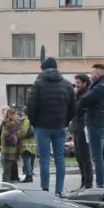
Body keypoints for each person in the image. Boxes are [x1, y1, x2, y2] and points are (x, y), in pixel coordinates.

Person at [25, 57, 76, 197]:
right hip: (59, 126)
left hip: (42, 126)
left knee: (44, 158)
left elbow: (31, 106)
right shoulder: (67, 84)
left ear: (43, 69)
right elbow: (73, 107)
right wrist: (65, 121)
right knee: (60, 158)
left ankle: (45, 190)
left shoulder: (38, 84)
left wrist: (34, 122)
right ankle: (59, 190)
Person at [78, 68, 104, 189]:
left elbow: (84, 101)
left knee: (97, 158)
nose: (90, 75)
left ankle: (100, 185)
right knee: (102, 158)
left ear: (97, 74)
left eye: (92, 73)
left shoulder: (99, 88)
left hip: (95, 125)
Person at [70, 74, 92, 190]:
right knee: (79, 157)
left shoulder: (86, 94)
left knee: (85, 157)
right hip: (76, 128)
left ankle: (88, 184)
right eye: (75, 82)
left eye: (78, 82)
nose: (76, 85)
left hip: (83, 128)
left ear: (85, 83)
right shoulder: (78, 95)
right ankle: (83, 182)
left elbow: (78, 109)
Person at [0, 108, 22, 182]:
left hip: (13, 147)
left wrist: (16, 136)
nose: (16, 115)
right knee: (6, 166)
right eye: (15, 114)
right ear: (12, 114)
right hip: (8, 148)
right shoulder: (6, 123)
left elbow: (19, 133)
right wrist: (15, 136)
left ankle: (12, 179)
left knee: (11, 165)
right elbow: (5, 134)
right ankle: (6, 181)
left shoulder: (17, 123)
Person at [17, 107, 36, 183]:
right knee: (28, 159)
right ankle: (29, 174)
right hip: (30, 142)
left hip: (25, 143)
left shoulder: (25, 120)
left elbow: (23, 131)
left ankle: (28, 175)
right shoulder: (31, 119)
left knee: (26, 159)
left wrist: (18, 135)